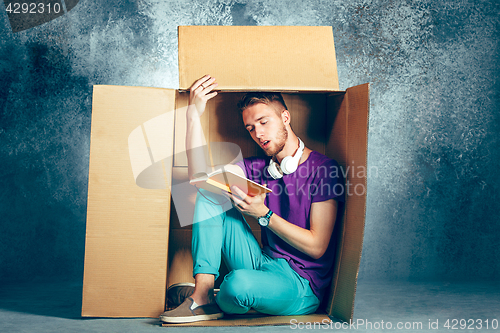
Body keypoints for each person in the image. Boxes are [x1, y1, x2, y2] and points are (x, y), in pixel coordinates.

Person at [160, 75, 344, 323]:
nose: (258, 133)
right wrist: (192, 115)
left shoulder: (324, 169)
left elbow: (317, 246)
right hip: (263, 263)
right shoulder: (257, 167)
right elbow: (200, 179)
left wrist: (264, 215)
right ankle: (202, 296)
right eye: (250, 128)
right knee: (209, 194)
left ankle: (223, 296)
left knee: (236, 285)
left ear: (285, 118)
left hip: (301, 283)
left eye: (263, 122)